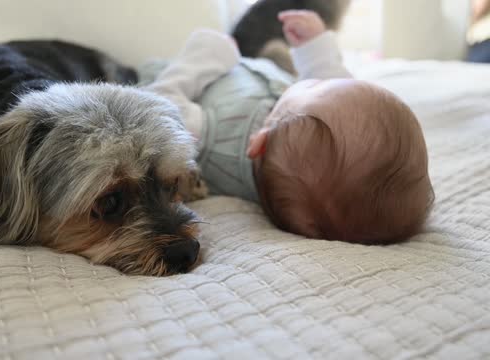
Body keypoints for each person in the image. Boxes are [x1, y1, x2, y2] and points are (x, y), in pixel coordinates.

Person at [143, 10, 434, 244]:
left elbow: (159, 105)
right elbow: (340, 93)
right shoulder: (299, 138)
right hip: (250, 68)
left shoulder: (213, 138)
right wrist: (316, 49)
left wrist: (209, 53)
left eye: (314, 83)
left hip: (191, 73)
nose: (315, 79)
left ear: (260, 143)